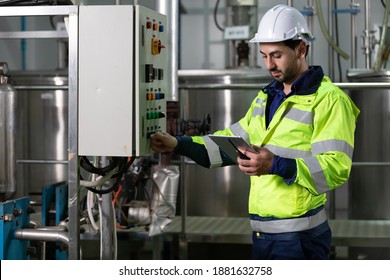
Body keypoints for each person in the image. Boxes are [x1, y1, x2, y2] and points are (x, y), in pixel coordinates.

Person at [150, 4, 360, 260]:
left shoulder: (330, 100)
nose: (269, 64)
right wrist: (177, 144)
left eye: (276, 55)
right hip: (262, 234)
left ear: (301, 49)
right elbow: (226, 145)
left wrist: (276, 165)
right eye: (263, 55)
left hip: (299, 239)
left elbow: (336, 168)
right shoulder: (265, 97)